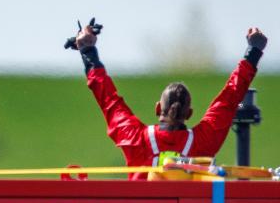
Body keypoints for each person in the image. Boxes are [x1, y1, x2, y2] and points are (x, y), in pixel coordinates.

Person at [72, 21, 268, 180]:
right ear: (189, 114)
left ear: (158, 108)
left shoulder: (135, 137)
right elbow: (230, 98)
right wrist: (253, 52)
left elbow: (108, 98)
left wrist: (88, 51)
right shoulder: (203, 141)